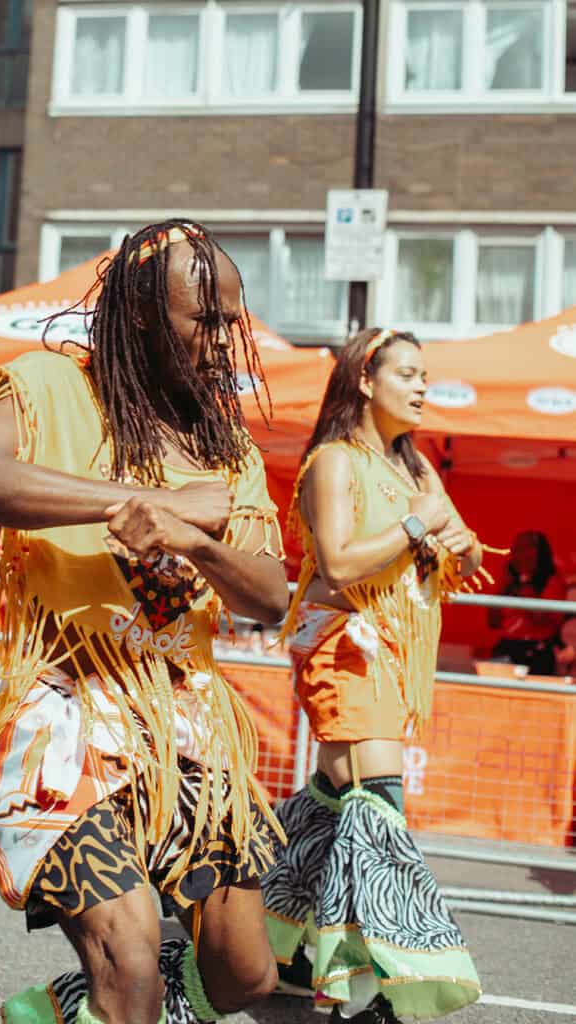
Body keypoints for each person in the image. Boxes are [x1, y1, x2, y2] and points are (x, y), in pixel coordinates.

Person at [0, 220, 289, 1024]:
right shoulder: (45, 383)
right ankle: (112, 997)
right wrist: (148, 504)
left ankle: (74, 1005)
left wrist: (196, 543)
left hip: (187, 728)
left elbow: (272, 596)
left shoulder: (226, 444)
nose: (223, 339)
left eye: (230, 321)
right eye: (202, 320)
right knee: (131, 962)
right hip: (63, 712)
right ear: (141, 314)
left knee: (247, 976)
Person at [261, 329, 491, 1023]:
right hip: (344, 648)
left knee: (337, 809)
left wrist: (459, 541)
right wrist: (419, 528)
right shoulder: (334, 461)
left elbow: (459, 545)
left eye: (426, 376)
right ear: (365, 379)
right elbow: (336, 561)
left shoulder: (415, 470)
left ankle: (273, 939)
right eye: (409, 375)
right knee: (377, 807)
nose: (423, 388)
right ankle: (373, 987)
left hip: (391, 652)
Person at [488, 530, 566, 676]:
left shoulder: (552, 581)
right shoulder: (509, 581)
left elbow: (542, 618)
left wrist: (526, 583)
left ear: (539, 552)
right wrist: (504, 588)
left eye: (526, 548)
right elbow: (492, 622)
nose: (519, 554)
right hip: (508, 646)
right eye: (516, 549)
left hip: (538, 650)